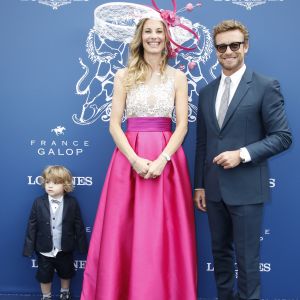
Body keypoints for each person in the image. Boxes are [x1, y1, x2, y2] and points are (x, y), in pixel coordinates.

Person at [81, 16, 197, 300]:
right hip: (128, 156)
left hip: (166, 159)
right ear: (140, 36)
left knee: (163, 233)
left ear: (167, 38)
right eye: (149, 31)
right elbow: (113, 124)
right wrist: (134, 159)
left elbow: (181, 125)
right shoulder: (123, 75)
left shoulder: (178, 77)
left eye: (159, 31)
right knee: (124, 229)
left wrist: (162, 159)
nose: (154, 36)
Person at [193, 19, 292, 299]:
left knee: (247, 262)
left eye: (234, 45)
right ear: (215, 50)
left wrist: (242, 154)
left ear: (245, 46)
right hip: (213, 191)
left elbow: (283, 137)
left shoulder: (265, 86)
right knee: (220, 256)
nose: (228, 51)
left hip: (247, 189)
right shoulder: (206, 93)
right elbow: (203, 143)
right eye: (221, 46)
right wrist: (199, 185)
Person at [23, 165, 88, 300]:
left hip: (64, 247)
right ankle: (46, 296)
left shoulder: (72, 202)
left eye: (55, 182)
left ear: (65, 185)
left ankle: (65, 293)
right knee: (44, 275)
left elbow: (78, 225)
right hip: (44, 249)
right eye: (47, 182)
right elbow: (31, 226)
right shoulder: (38, 202)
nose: (50, 186)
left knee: (66, 273)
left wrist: (83, 247)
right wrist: (28, 249)